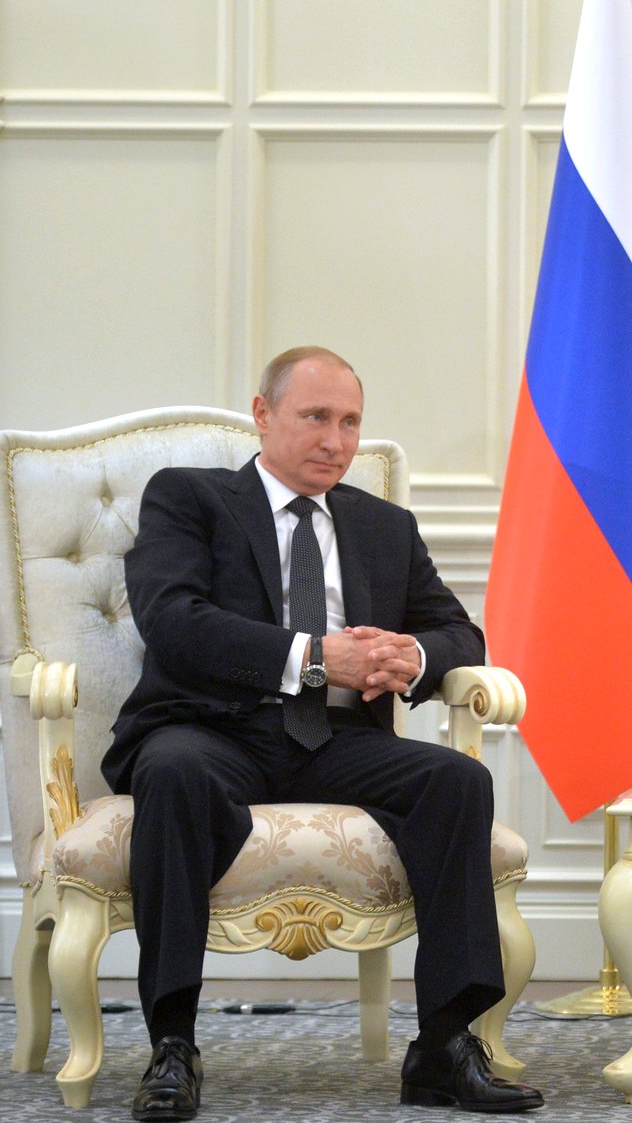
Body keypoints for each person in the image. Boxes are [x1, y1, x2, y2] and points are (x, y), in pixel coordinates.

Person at [105, 347, 543, 1120]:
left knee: (457, 780)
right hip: (211, 730)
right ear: (264, 414)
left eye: (349, 423)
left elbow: (458, 634)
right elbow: (173, 624)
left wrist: (413, 656)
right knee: (172, 773)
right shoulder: (191, 499)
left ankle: (443, 1046)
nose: (336, 441)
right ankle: (172, 1046)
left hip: (338, 741)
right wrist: (313, 659)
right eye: (316, 417)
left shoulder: (383, 526)